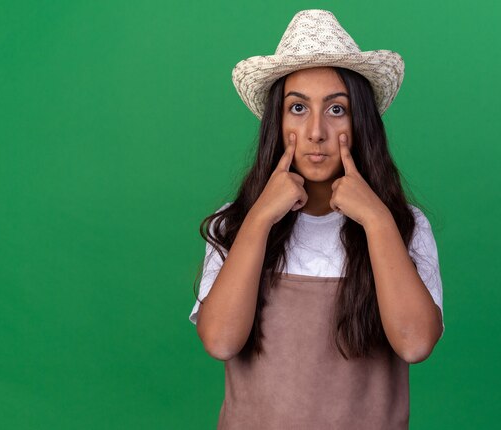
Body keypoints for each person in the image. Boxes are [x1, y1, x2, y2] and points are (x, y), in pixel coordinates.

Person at [188, 9, 444, 429]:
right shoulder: (234, 224)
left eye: (337, 109)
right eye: (298, 108)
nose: (316, 132)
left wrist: (377, 221)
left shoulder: (403, 225)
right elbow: (220, 340)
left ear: (360, 122)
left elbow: (415, 344)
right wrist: (259, 220)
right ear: (277, 121)